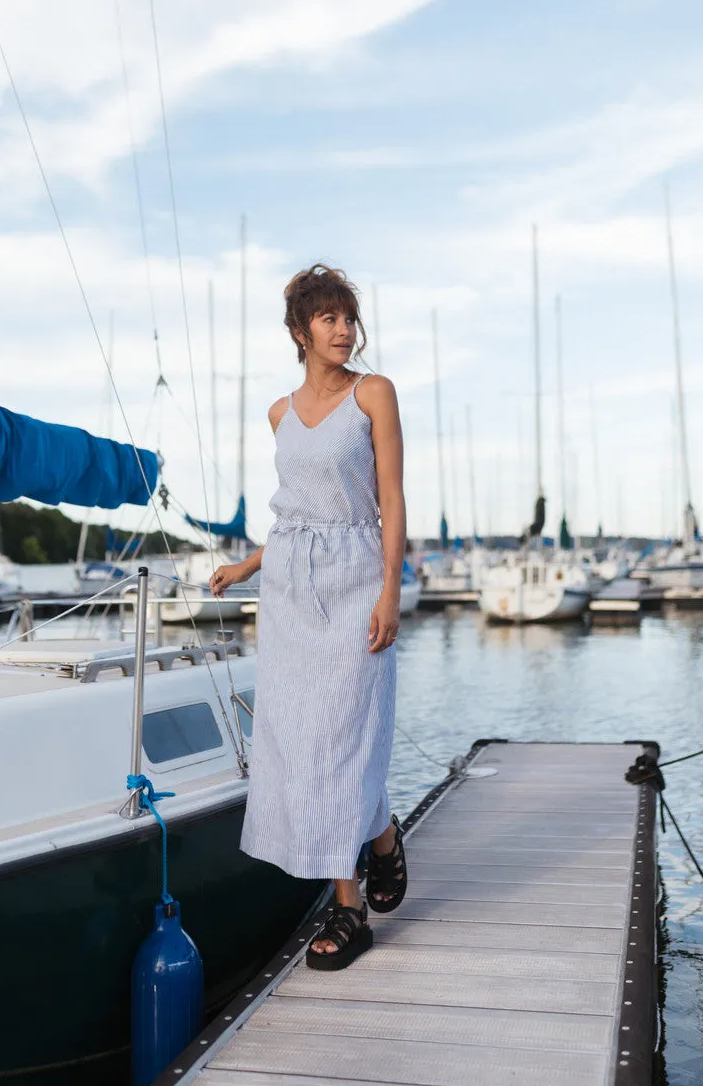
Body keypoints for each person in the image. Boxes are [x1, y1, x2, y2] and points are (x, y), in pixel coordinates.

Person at [209, 263, 407, 971]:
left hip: (355, 585)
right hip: (290, 591)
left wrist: (391, 590)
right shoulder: (279, 414)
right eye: (328, 318)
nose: (344, 329)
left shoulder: (373, 394)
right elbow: (299, 514)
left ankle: (349, 912)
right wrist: (246, 564)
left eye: (348, 317)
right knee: (303, 742)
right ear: (300, 332)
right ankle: (375, 845)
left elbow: (388, 500)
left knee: (343, 738)